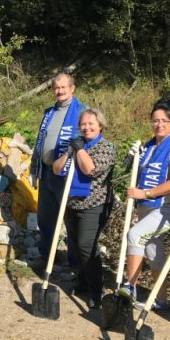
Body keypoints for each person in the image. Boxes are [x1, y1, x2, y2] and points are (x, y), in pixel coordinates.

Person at [118, 99, 170, 310]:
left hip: (167, 208)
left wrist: (145, 193)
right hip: (146, 207)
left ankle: (130, 286)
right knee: (152, 252)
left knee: (134, 235)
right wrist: (132, 159)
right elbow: (136, 176)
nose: (159, 125)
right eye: (155, 121)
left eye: (164, 121)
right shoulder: (149, 146)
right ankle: (161, 300)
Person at [52, 108, 116, 308]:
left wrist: (80, 150)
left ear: (100, 125)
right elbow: (56, 168)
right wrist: (71, 151)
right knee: (74, 245)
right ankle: (81, 280)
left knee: (86, 245)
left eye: (91, 124)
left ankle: (96, 289)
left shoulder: (106, 148)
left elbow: (91, 169)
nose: (86, 127)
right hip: (72, 202)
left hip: (94, 204)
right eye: (83, 124)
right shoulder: (76, 144)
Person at [29, 72, 87, 272]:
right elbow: (40, 142)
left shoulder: (81, 112)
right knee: (45, 218)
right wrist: (34, 168)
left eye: (63, 87)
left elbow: (85, 142)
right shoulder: (49, 112)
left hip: (67, 175)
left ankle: (75, 266)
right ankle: (47, 258)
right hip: (46, 173)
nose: (59, 91)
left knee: (70, 219)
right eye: (56, 87)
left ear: (72, 88)